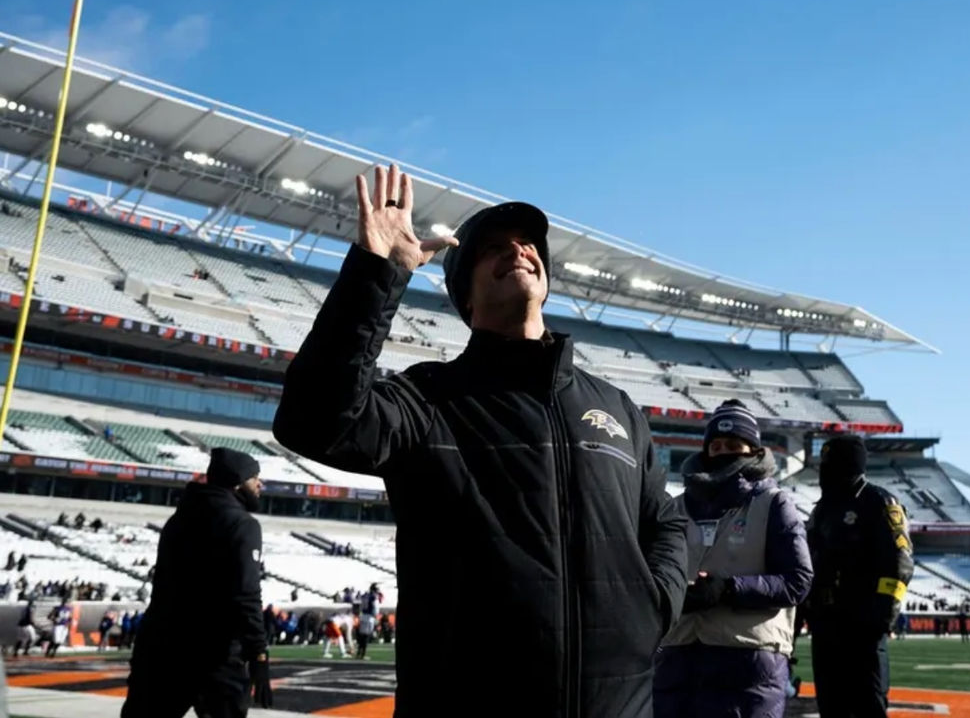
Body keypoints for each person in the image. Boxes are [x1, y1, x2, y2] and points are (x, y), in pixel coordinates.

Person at [273, 164, 688, 717]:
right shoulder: (427, 399)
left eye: (525, 243)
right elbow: (312, 419)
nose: (516, 251)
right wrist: (381, 272)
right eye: (493, 248)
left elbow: (666, 521)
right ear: (464, 296)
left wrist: (655, 604)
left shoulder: (616, 409)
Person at [653, 400, 813, 718]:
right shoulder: (677, 506)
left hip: (747, 658)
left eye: (733, 444)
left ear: (752, 450)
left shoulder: (774, 503)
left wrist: (728, 589)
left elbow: (798, 580)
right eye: (716, 445)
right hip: (679, 654)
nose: (722, 451)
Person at [121, 448, 273, 718]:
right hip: (214, 654)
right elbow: (246, 594)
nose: (260, 484)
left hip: (159, 647)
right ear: (237, 481)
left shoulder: (178, 519)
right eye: (255, 477)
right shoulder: (242, 524)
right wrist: (259, 654)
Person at [806, 434, 913, 718]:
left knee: (868, 707)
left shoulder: (878, 501)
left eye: (832, 464)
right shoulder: (821, 511)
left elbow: (900, 563)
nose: (825, 471)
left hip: (863, 628)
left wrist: (881, 617)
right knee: (831, 708)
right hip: (825, 628)